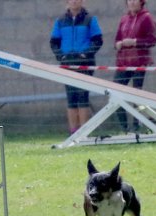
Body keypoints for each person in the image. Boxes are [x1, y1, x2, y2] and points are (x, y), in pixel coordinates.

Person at [50, 0, 103, 135]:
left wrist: (86, 54)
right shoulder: (60, 20)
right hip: (67, 64)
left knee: (82, 96)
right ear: (67, 2)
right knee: (71, 97)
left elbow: (98, 40)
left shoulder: (90, 19)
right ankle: (73, 132)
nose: (74, 1)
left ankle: (84, 132)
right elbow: (54, 42)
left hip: (85, 64)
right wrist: (61, 56)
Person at [113, 0, 156, 133]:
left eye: (135, 0)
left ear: (141, 2)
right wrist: (119, 44)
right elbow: (116, 40)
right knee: (115, 93)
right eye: (129, 0)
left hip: (139, 61)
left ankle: (137, 125)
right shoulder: (124, 19)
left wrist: (135, 42)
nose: (132, 3)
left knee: (136, 95)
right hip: (123, 62)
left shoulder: (147, 18)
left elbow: (152, 40)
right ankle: (125, 128)